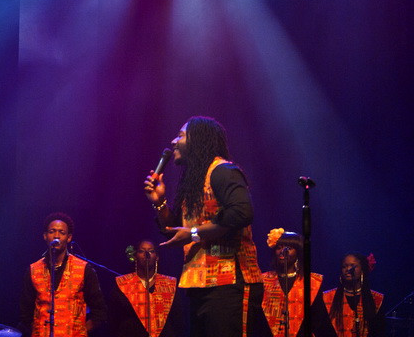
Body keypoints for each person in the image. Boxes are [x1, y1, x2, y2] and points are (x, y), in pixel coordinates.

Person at [143, 116, 263, 337]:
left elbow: (242, 212)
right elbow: (176, 229)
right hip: (200, 283)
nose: (173, 141)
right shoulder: (196, 180)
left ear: (197, 139)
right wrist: (159, 203)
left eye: (180, 135)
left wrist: (195, 233)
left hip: (230, 284)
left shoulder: (223, 171)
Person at [19, 212, 107, 336]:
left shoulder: (84, 268)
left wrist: (81, 331)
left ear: (69, 237)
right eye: (52, 231)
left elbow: (100, 311)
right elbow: (25, 311)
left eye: (62, 232)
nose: (56, 236)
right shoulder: (33, 269)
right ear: (45, 236)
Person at [259, 228, 336, 337]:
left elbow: (319, 320)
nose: (282, 251)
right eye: (279, 248)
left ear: (298, 252)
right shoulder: (264, 280)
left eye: (289, 248)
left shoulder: (312, 281)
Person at [109, 239, 186, 337]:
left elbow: (178, 320)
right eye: (141, 251)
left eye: (151, 251)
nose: (146, 254)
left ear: (157, 257)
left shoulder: (169, 284)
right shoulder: (123, 283)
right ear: (135, 256)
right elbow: (114, 319)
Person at [322, 253, 384, 337]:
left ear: (362, 269)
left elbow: (379, 331)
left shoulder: (376, 299)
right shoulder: (327, 297)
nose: (348, 269)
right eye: (344, 266)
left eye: (353, 266)